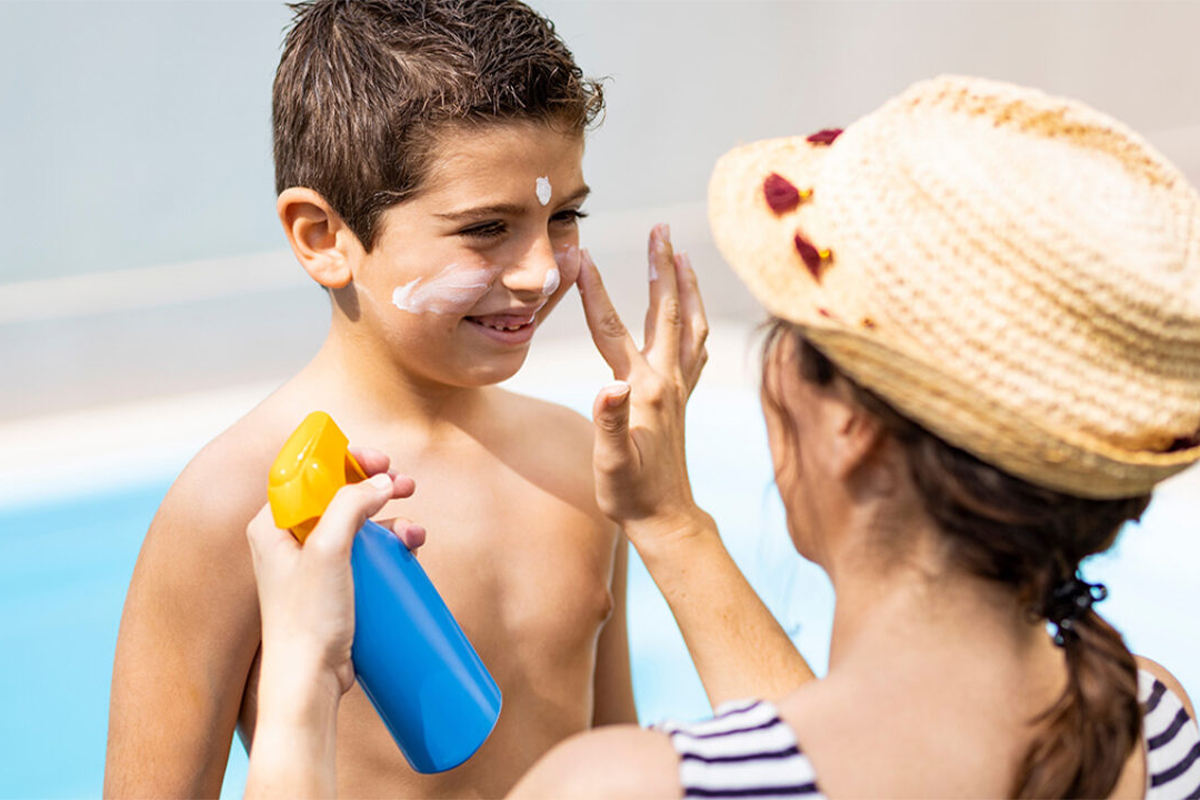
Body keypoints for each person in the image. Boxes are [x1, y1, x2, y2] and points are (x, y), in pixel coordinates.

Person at [244, 75, 1200, 799]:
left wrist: (296, 684)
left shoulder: (621, 789)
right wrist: (669, 520)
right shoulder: (1153, 724)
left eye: (788, 339)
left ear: (852, 427)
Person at [104, 2, 643, 797]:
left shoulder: (582, 460)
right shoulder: (232, 506)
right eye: (488, 227)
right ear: (324, 238)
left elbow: (622, 762)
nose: (538, 271)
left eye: (563, 216)